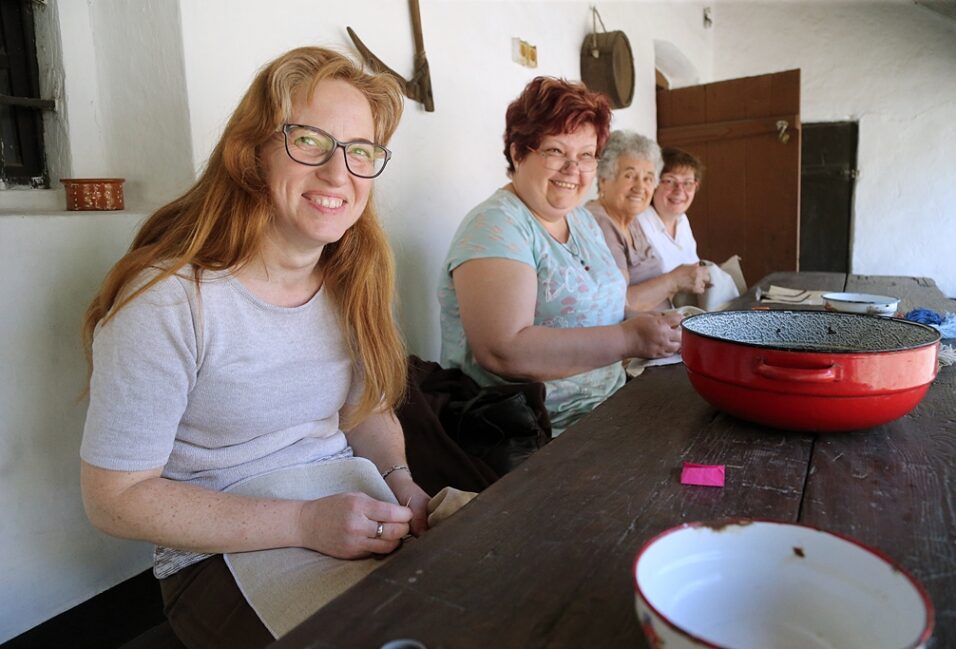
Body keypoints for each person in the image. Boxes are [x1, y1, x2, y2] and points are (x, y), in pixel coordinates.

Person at [79, 47, 429, 649]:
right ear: (252, 154)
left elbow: (364, 410)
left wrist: (400, 480)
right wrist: (302, 522)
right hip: (218, 554)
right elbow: (114, 500)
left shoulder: (354, 274)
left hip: (343, 505)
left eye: (360, 151)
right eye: (310, 141)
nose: (339, 174)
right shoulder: (170, 300)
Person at [438, 77, 682, 435]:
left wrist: (655, 328)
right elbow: (504, 350)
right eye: (555, 151)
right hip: (536, 431)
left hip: (609, 405)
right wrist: (630, 338)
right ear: (519, 151)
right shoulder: (496, 225)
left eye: (585, 156)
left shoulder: (581, 219)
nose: (573, 169)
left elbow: (596, 311)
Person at [587, 131, 709, 312]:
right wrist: (674, 281)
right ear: (604, 180)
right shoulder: (599, 224)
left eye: (648, 178)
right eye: (629, 176)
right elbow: (615, 305)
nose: (640, 187)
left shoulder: (631, 221)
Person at [638, 146, 706, 272]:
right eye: (670, 181)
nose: (680, 190)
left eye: (687, 183)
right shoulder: (639, 222)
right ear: (653, 184)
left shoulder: (682, 220)